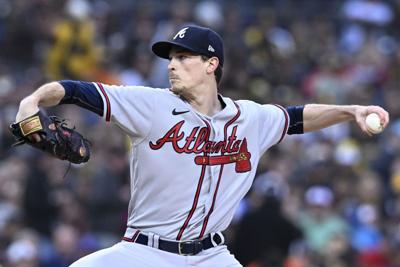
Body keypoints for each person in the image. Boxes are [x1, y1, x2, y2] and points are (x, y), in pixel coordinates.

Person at [14, 25, 389, 267]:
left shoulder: (250, 118)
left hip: (212, 256)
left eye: (182, 57)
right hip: (143, 252)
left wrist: (350, 109)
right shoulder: (151, 103)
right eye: (170, 58)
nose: (172, 65)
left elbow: (297, 117)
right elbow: (76, 91)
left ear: (212, 64)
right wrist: (33, 101)